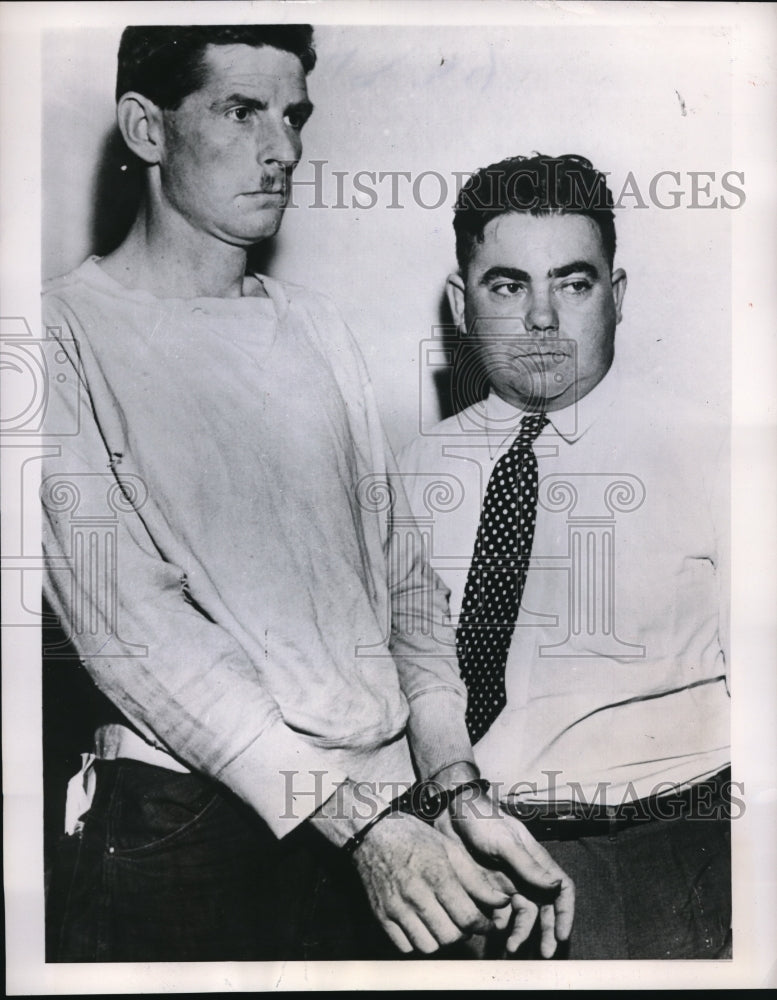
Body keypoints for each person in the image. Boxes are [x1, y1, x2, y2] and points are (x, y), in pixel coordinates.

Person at [40, 27, 574, 963]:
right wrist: (360, 828)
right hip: (189, 825)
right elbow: (135, 632)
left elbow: (405, 588)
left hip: (378, 811)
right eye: (241, 112)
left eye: (293, 117)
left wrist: (453, 787)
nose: (282, 149)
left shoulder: (316, 328)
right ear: (147, 128)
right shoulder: (54, 335)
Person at [398, 153, 732, 959]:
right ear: (461, 303)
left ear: (614, 298)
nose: (542, 318)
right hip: (447, 869)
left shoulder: (712, 454)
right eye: (508, 286)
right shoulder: (408, 473)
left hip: (655, 855)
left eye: (573, 284)